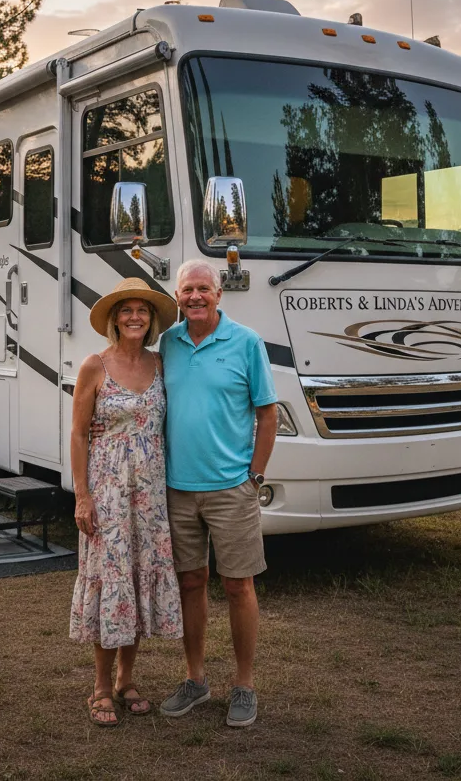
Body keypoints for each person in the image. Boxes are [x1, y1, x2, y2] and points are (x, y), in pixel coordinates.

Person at [158, 259, 278, 728]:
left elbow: (266, 414)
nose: (195, 297)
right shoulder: (167, 343)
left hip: (232, 489)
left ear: (219, 294)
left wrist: (255, 476)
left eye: (203, 289)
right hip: (178, 490)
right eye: (187, 289)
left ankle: (244, 686)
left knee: (238, 586)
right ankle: (195, 679)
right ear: (178, 296)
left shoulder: (246, 343)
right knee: (190, 583)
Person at [69, 277, 183, 727]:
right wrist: (82, 496)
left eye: (142, 310)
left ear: (152, 320)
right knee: (110, 577)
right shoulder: (94, 366)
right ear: (115, 319)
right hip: (108, 491)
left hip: (150, 492)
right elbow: (78, 433)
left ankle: (126, 679)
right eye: (126, 310)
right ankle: (99, 686)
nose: (135, 316)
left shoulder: (160, 364)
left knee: (136, 578)